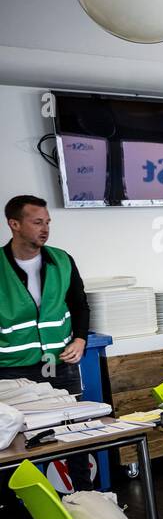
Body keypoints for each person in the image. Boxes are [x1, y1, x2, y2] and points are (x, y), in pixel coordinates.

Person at [2, 195, 93, 490]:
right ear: (14, 224)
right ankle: (21, 508)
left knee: (74, 431)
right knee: (15, 442)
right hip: (11, 371)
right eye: (37, 222)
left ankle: (84, 496)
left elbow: (80, 305)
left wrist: (80, 339)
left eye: (47, 222)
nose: (45, 228)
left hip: (56, 363)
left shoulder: (62, 260)